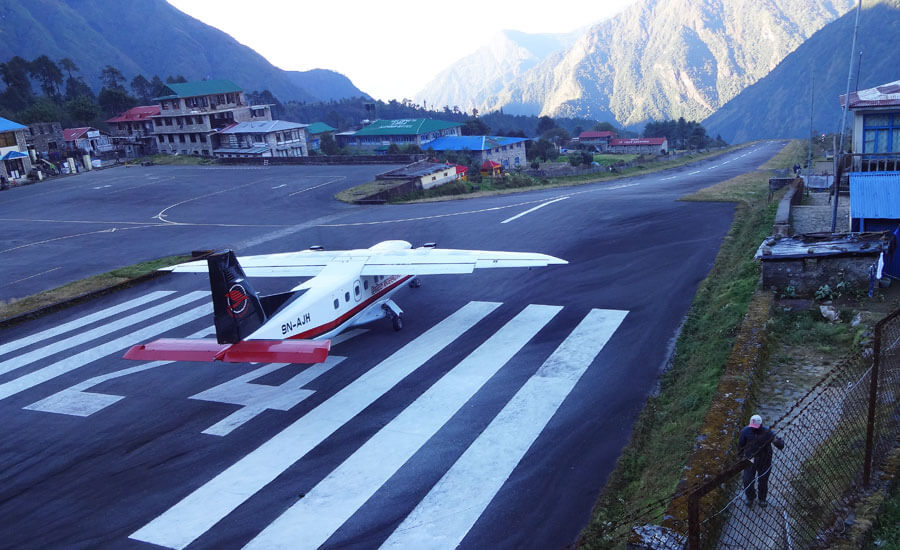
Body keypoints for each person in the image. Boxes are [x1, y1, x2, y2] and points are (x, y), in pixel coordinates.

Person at [738, 414, 785, 508]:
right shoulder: (745, 431)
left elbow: (780, 444)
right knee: (747, 480)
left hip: (765, 459)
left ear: (761, 425)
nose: (754, 429)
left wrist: (777, 442)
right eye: (752, 427)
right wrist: (740, 457)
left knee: (763, 480)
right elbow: (740, 446)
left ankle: (762, 498)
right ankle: (750, 497)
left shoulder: (767, 432)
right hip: (750, 459)